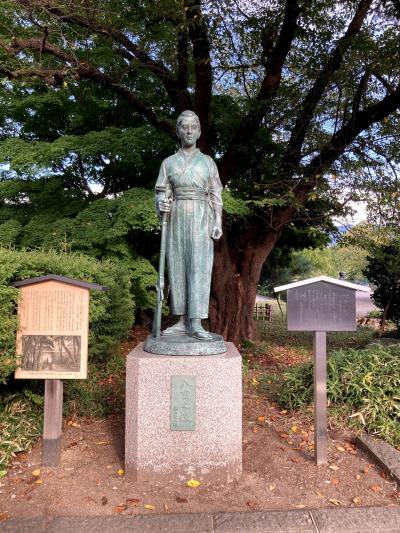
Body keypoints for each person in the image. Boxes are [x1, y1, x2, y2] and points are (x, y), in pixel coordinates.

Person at [155, 110, 223, 339]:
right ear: (178, 131)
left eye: (193, 127)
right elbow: (160, 191)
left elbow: (215, 194)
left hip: (202, 217)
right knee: (177, 266)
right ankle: (181, 320)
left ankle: (196, 322)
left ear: (199, 131)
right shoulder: (168, 163)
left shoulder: (208, 162)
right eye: (184, 127)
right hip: (176, 217)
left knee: (199, 267)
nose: (189, 131)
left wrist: (218, 221)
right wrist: (161, 204)